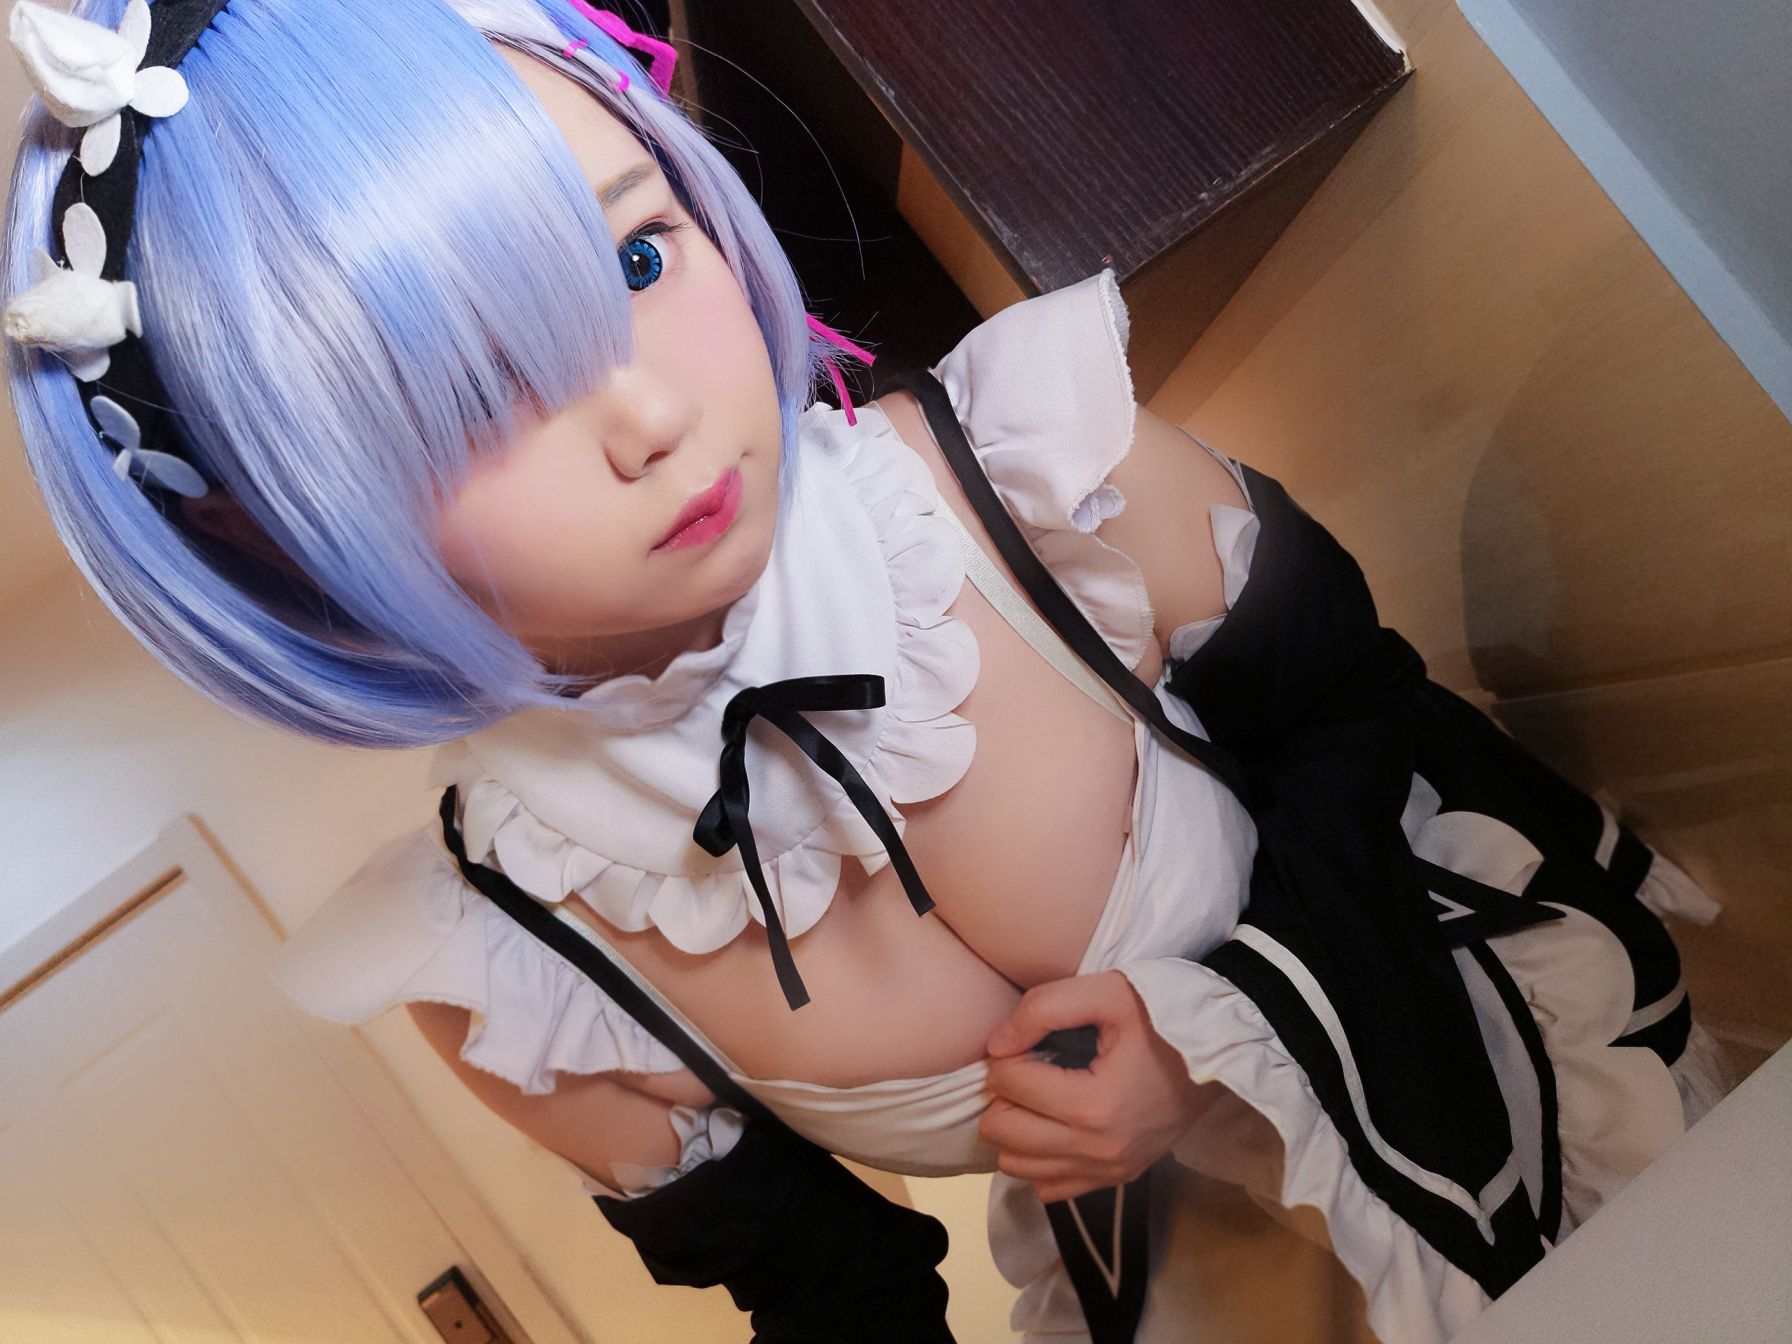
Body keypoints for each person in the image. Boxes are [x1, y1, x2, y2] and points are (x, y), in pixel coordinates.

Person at [1, 2, 1734, 1341]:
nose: (649, 412)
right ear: (267, 538)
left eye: (636, 256)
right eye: (468, 403)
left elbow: (1362, 715)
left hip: (1519, 1128)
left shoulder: (1027, 479)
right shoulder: (510, 966)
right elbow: (839, 1305)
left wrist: (1220, 1032)